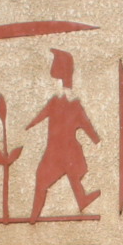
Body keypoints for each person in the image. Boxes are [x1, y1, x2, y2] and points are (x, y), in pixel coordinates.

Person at [27, 48, 101, 220]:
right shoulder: (55, 102)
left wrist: (97, 140)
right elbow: (41, 116)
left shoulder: (73, 105)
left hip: (67, 151)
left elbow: (87, 125)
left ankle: (81, 200)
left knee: (69, 176)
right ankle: (34, 215)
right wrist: (28, 126)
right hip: (55, 151)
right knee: (42, 179)